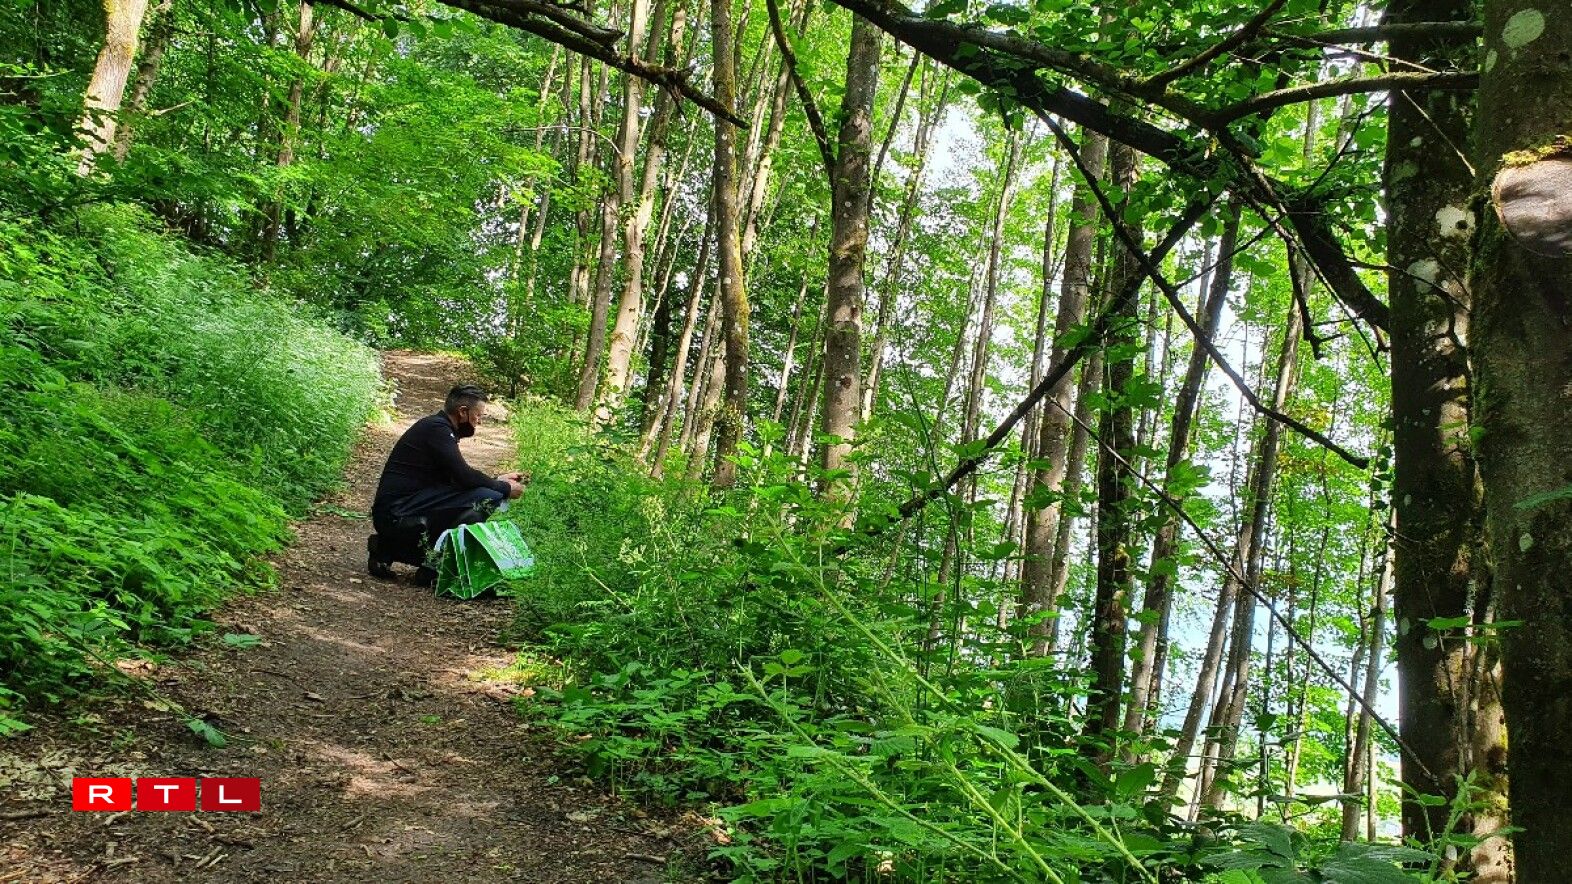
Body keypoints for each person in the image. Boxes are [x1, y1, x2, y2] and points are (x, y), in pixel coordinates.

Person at [367, 384, 527, 584]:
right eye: (478, 416)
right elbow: (465, 477)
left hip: (400, 508)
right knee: (490, 497)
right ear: (462, 412)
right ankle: (435, 564)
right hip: (397, 511)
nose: (479, 422)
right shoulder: (437, 429)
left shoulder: (437, 428)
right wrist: (504, 488)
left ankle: (386, 549)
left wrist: (496, 480)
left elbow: (457, 478)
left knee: (484, 492)